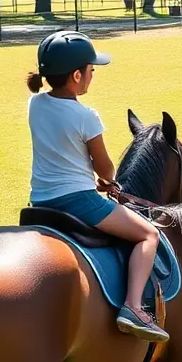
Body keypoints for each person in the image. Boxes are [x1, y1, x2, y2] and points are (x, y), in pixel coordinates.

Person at [26, 30, 168, 343]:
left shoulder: (34, 104)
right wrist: (110, 181)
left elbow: (63, 150)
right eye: (91, 70)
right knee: (149, 233)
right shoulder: (86, 116)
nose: (93, 74)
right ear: (76, 76)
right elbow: (104, 166)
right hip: (79, 202)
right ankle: (133, 307)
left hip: (40, 202)